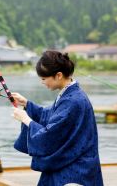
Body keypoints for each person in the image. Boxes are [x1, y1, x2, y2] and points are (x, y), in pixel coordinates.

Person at [11, 50, 103, 186]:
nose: (42, 82)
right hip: (70, 160)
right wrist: (27, 104)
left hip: (77, 168)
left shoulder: (73, 100)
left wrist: (26, 119)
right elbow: (50, 115)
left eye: (43, 78)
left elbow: (50, 134)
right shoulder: (70, 94)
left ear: (58, 75)